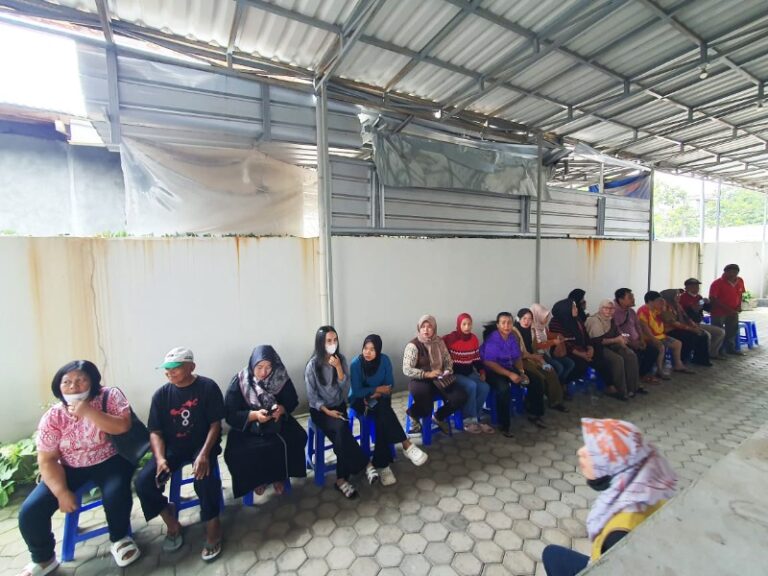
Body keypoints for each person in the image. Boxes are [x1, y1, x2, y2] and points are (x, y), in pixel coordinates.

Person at [18, 361, 140, 576]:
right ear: (58, 386)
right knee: (31, 511)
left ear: (92, 381)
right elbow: (47, 460)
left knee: (116, 494)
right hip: (70, 466)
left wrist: (88, 412)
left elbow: (123, 426)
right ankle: (44, 559)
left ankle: (120, 538)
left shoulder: (109, 396)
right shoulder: (53, 417)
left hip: (111, 459)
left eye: (80, 380)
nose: (73, 386)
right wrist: (61, 492)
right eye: (66, 382)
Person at [542, 418, 677, 575]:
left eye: (594, 452)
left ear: (616, 468)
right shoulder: (651, 491)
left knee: (551, 555)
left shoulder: (617, 535)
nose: (581, 452)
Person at [134, 347, 225, 562]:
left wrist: (204, 454)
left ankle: (213, 524)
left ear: (191, 367)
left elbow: (215, 424)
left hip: (202, 444)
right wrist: (160, 459)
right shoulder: (161, 396)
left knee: (204, 478)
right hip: (173, 448)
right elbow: (155, 432)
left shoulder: (207, 387)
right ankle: (171, 521)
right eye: (167, 369)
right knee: (143, 482)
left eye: (175, 368)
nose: (169, 372)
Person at [224, 345, 307, 500]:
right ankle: (257, 480)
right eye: (259, 367)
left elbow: (292, 400)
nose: (264, 372)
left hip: (276, 422)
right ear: (252, 365)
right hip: (249, 426)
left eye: (268, 367)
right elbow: (230, 413)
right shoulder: (240, 381)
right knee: (239, 452)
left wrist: (282, 409)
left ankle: (279, 476)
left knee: (295, 438)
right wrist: (254, 415)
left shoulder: (280, 376)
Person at [306, 326, 379, 499]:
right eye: (328, 341)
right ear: (320, 343)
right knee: (341, 429)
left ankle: (341, 480)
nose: (332, 344)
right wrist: (327, 412)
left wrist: (338, 368)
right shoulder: (312, 366)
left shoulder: (341, 359)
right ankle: (366, 464)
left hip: (338, 406)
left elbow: (345, 391)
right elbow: (312, 397)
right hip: (320, 410)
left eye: (335, 340)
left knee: (341, 434)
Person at [349, 334, 429, 485]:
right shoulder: (356, 364)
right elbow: (357, 391)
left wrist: (377, 393)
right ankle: (405, 445)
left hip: (379, 398)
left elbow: (390, 385)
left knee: (382, 415)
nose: (368, 352)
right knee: (383, 412)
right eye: (365, 348)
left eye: (372, 349)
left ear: (378, 350)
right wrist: (377, 389)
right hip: (360, 401)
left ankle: (382, 465)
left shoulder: (384, 360)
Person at [481, 312, 546, 435]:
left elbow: (517, 357)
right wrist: (510, 375)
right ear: (498, 325)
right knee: (504, 389)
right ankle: (503, 425)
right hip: (492, 371)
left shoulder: (511, 337)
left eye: (509, 323)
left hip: (508, 366)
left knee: (535, 380)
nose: (507, 326)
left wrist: (521, 372)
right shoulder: (493, 339)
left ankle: (535, 414)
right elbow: (489, 363)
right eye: (503, 323)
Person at [403, 315, 468, 436]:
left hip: (439, 377)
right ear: (419, 328)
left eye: (429, 327)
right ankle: (413, 415)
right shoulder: (413, 346)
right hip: (420, 379)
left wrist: (447, 370)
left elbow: (448, 360)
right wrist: (426, 374)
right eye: (423, 327)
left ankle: (438, 416)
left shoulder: (439, 342)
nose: (426, 330)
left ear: (434, 328)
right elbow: (407, 369)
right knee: (426, 403)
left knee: (460, 397)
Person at [442, 314, 495, 433]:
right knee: (471, 385)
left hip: (469, 372)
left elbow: (476, 358)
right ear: (459, 325)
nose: (467, 327)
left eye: (469, 324)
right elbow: (439, 350)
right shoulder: (451, 339)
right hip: (454, 374)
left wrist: (482, 371)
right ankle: (468, 420)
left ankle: (476, 416)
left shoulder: (474, 339)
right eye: (464, 324)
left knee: (485, 386)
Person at [585, 300, 646, 399]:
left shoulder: (611, 319)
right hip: (597, 348)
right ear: (600, 309)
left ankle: (633, 387)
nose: (609, 311)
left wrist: (622, 340)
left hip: (612, 344)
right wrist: (617, 340)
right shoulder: (594, 320)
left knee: (630, 355)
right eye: (606, 308)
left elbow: (617, 334)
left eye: (611, 309)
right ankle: (621, 391)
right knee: (617, 360)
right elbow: (598, 341)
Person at [514, 308, 567, 412]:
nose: (527, 321)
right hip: (520, 361)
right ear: (518, 319)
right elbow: (517, 354)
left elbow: (534, 349)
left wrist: (543, 363)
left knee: (551, 372)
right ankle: (533, 406)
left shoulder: (532, 331)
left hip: (533, 358)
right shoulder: (514, 333)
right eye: (524, 318)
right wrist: (534, 357)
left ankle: (555, 402)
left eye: (529, 319)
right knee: (539, 377)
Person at [637, 292, 691, 378]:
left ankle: (678, 365)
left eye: (661, 300)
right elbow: (645, 328)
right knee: (661, 347)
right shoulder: (643, 311)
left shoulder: (657, 310)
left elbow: (669, 319)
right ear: (650, 301)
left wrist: (663, 308)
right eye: (659, 300)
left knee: (677, 343)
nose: (661, 302)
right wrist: (654, 339)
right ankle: (659, 370)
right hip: (648, 337)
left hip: (660, 335)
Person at [613, 288, 660, 384]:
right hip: (623, 342)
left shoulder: (631, 311)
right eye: (630, 297)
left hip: (636, 340)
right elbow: (618, 332)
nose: (633, 299)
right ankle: (633, 379)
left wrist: (642, 339)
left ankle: (642, 374)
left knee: (654, 350)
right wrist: (631, 343)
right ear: (621, 300)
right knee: (634, 354)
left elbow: (637, 326)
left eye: (633, 297)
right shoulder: (614, 313)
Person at [660, 289, 712, 367]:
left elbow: (686, 317)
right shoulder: (665, 307)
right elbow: (674, 323)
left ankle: (700, 360)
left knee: (703, 335)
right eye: (677, 295)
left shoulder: (678, 305)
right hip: (670, 330)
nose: (679, 296)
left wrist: (694, 326)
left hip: (683, 327)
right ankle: (681, 360)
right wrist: (692, 329)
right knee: (690, 337)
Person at [549, 297, 595, 381]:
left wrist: (590, 348)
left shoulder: (577, 320)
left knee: (598, 357)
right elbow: (565, 342)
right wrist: (582, 354)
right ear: (566, 309)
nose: (576, 309)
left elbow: (585, 335)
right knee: (579, 364)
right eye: (574, 307)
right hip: (565, 350)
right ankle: (566, 384)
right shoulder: (555, 322)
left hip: (580, 348)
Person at [530, 303, 576, 388]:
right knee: (559, 367)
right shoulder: (532, 329)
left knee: (570, 364)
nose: (547, 319)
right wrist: (553, 342)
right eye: (544, 316)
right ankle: (552, 387)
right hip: (539, 354)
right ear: (537, 315)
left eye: (547, 316)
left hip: (548, 352)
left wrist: (557, 335)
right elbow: (537, 346)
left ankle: (560, 384)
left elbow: (548, 335)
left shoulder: (542, 326)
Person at [679, 278, 726, 358]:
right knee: (707, 335)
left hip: (698, 322)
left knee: (720, 332)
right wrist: (697, 305)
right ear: (687, 288)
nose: (696, 288)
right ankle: (702, 356)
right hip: (688, 323)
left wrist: (708, 303)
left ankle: (712, 353)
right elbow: (688, 312)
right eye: (693, 286)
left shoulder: (699, 297)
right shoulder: (683, 297)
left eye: (697, 286)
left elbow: (707, 309)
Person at [709, 264, 746, 355]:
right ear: (725, 272)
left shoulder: (740, 280)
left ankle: (730, 349)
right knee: (718, 331)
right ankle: (718, 351)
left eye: (735, 272)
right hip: (719, 312)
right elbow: (713, 299)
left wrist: (739, 306)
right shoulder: (717, 283)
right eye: (730, 272)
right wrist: (728, 309)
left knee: (732, 330)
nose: (732, 274)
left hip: (733, 311)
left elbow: (740, 294)